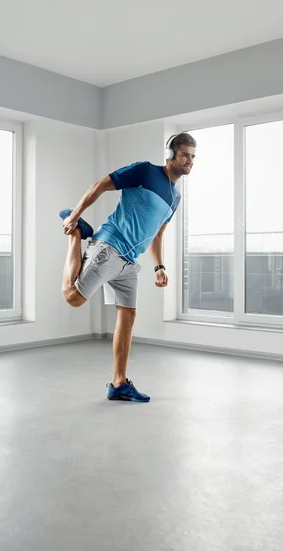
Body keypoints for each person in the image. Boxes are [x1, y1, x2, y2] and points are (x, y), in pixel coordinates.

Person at [60, 132, 197, 402]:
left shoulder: (175, 198)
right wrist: (75, 216)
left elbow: (156, 234)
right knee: (73, 297)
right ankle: (78, 234)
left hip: (130, 262)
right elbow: (102, 184)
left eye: (193, 157)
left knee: (128, 316)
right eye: (184, 155)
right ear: (170, 155)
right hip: (110, 247)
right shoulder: (145, 171)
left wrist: (159, 266)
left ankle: (119, 383)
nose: (190, 161)